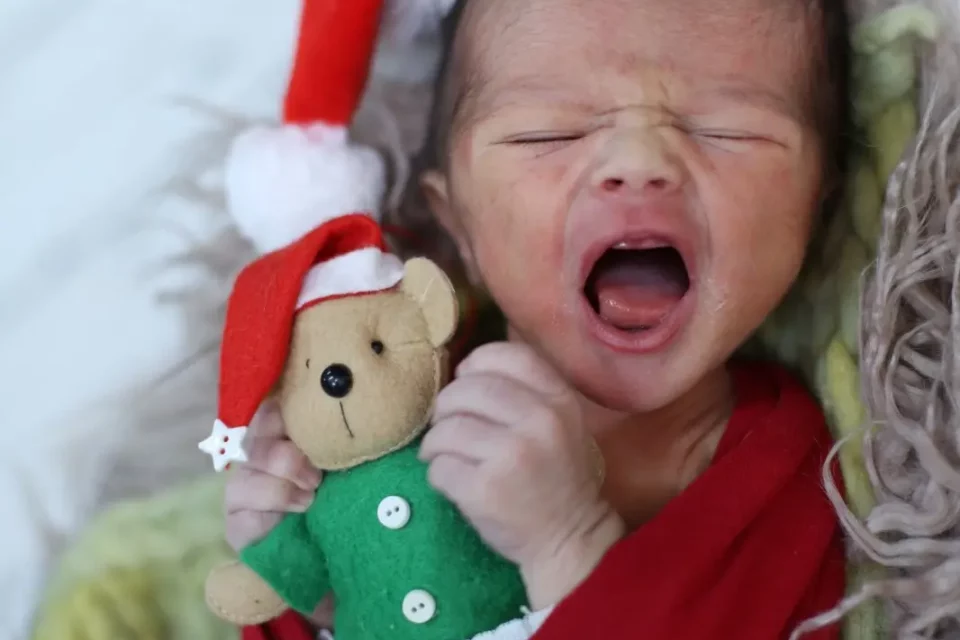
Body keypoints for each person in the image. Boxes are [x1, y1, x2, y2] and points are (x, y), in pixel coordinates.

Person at [222, 0, 852, 637]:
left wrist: (570, 549)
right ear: (457, 225)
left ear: (817, 205)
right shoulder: (384, 415)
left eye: (728, 131)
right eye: (548, 135)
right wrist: (318, 596)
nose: (637, 161)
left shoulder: (792, 480)